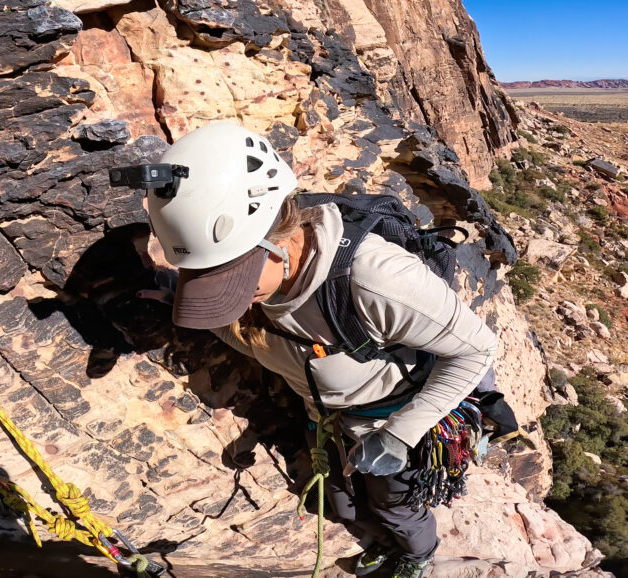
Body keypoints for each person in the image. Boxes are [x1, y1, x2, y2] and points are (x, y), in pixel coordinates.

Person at [140, 122, 498, 578]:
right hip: (326, 418)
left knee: (396, 509)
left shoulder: (375, 279)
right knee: (344, 508)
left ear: (275, 245)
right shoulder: (263, 282)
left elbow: (475, 350)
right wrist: (199, 304)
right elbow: (258, 343)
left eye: (231, 283)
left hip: (395, 418)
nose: (233, 298)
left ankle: (416, 556)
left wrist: (398, 435)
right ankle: (382, 536)